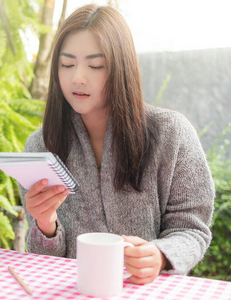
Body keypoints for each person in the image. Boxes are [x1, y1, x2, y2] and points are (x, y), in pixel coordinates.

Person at [19, 4, 215, 285]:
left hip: (146, 291)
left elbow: (192, 230)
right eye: (67, 64)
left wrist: (160, 255)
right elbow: (45, 261)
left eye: (95, 65)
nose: (78, 77)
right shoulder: (41, 146)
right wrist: (45, 225)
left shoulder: (171, 133)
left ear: (120, 67)